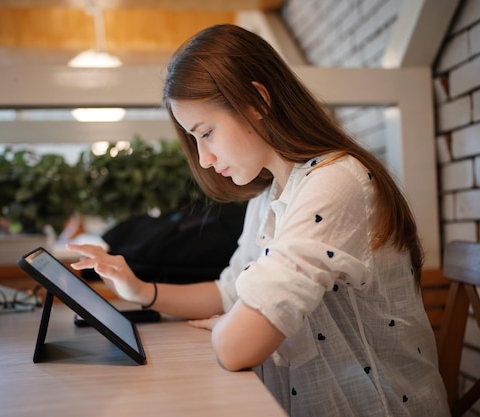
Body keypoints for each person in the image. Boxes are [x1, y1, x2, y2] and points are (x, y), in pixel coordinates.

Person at [68, 24, 450, 417]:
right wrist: (141, 290)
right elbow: (230, 292)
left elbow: (236, 348)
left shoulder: (335, 182)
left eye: (207, 133)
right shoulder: (270, 196)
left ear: (257, 102)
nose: (203, 159)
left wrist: (228, 326)